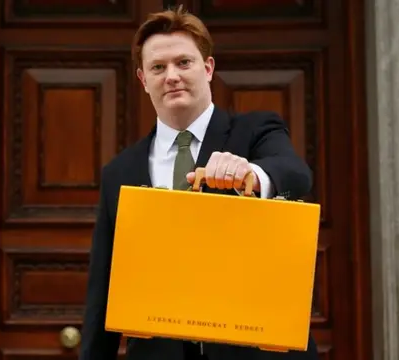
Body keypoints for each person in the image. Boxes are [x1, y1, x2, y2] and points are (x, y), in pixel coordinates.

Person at [79, 5, 318, 360]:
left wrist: (252, 176)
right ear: (143, 80)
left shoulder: (256, 130)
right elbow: (103, 289)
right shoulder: (120, 172)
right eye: (158, 68)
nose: (171, 75)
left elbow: (295, 173)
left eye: (183, 63)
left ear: (208, 69)